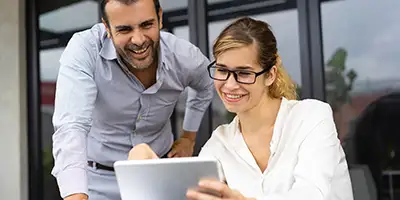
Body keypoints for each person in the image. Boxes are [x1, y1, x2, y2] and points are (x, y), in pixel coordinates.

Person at [128, 17, 354, 200]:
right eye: (222, 70)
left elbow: (312, 194)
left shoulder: (312, 117)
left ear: (270, 75)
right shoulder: (219, 144)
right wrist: (150, 172)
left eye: (244, 73)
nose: (229, 84)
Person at [51, 0, 214, 199]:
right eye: (124, 29)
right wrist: (75, 195)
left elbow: (206, 87)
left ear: (160, 18)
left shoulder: (185, 57)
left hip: (158, 176)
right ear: (107, 28)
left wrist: (189, 137)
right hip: (99, 180)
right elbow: (71, 125)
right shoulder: (85, 49)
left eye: (147, 25)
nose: (138, 40)